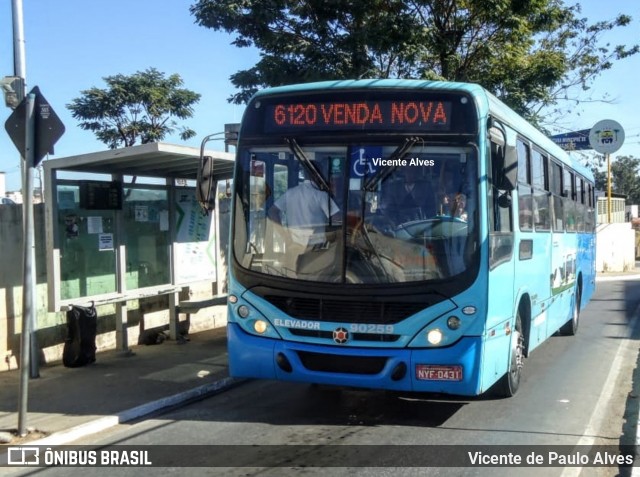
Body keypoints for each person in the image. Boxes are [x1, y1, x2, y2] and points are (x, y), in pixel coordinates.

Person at [267, 164, 340, 275]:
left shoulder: (290, 193)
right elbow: (338, 219)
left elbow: (272, 212)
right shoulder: (321, 196)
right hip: (315, 249)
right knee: (312, 278)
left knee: (293, 276)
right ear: (318, 176)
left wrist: (284, 235)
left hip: (293, 246)